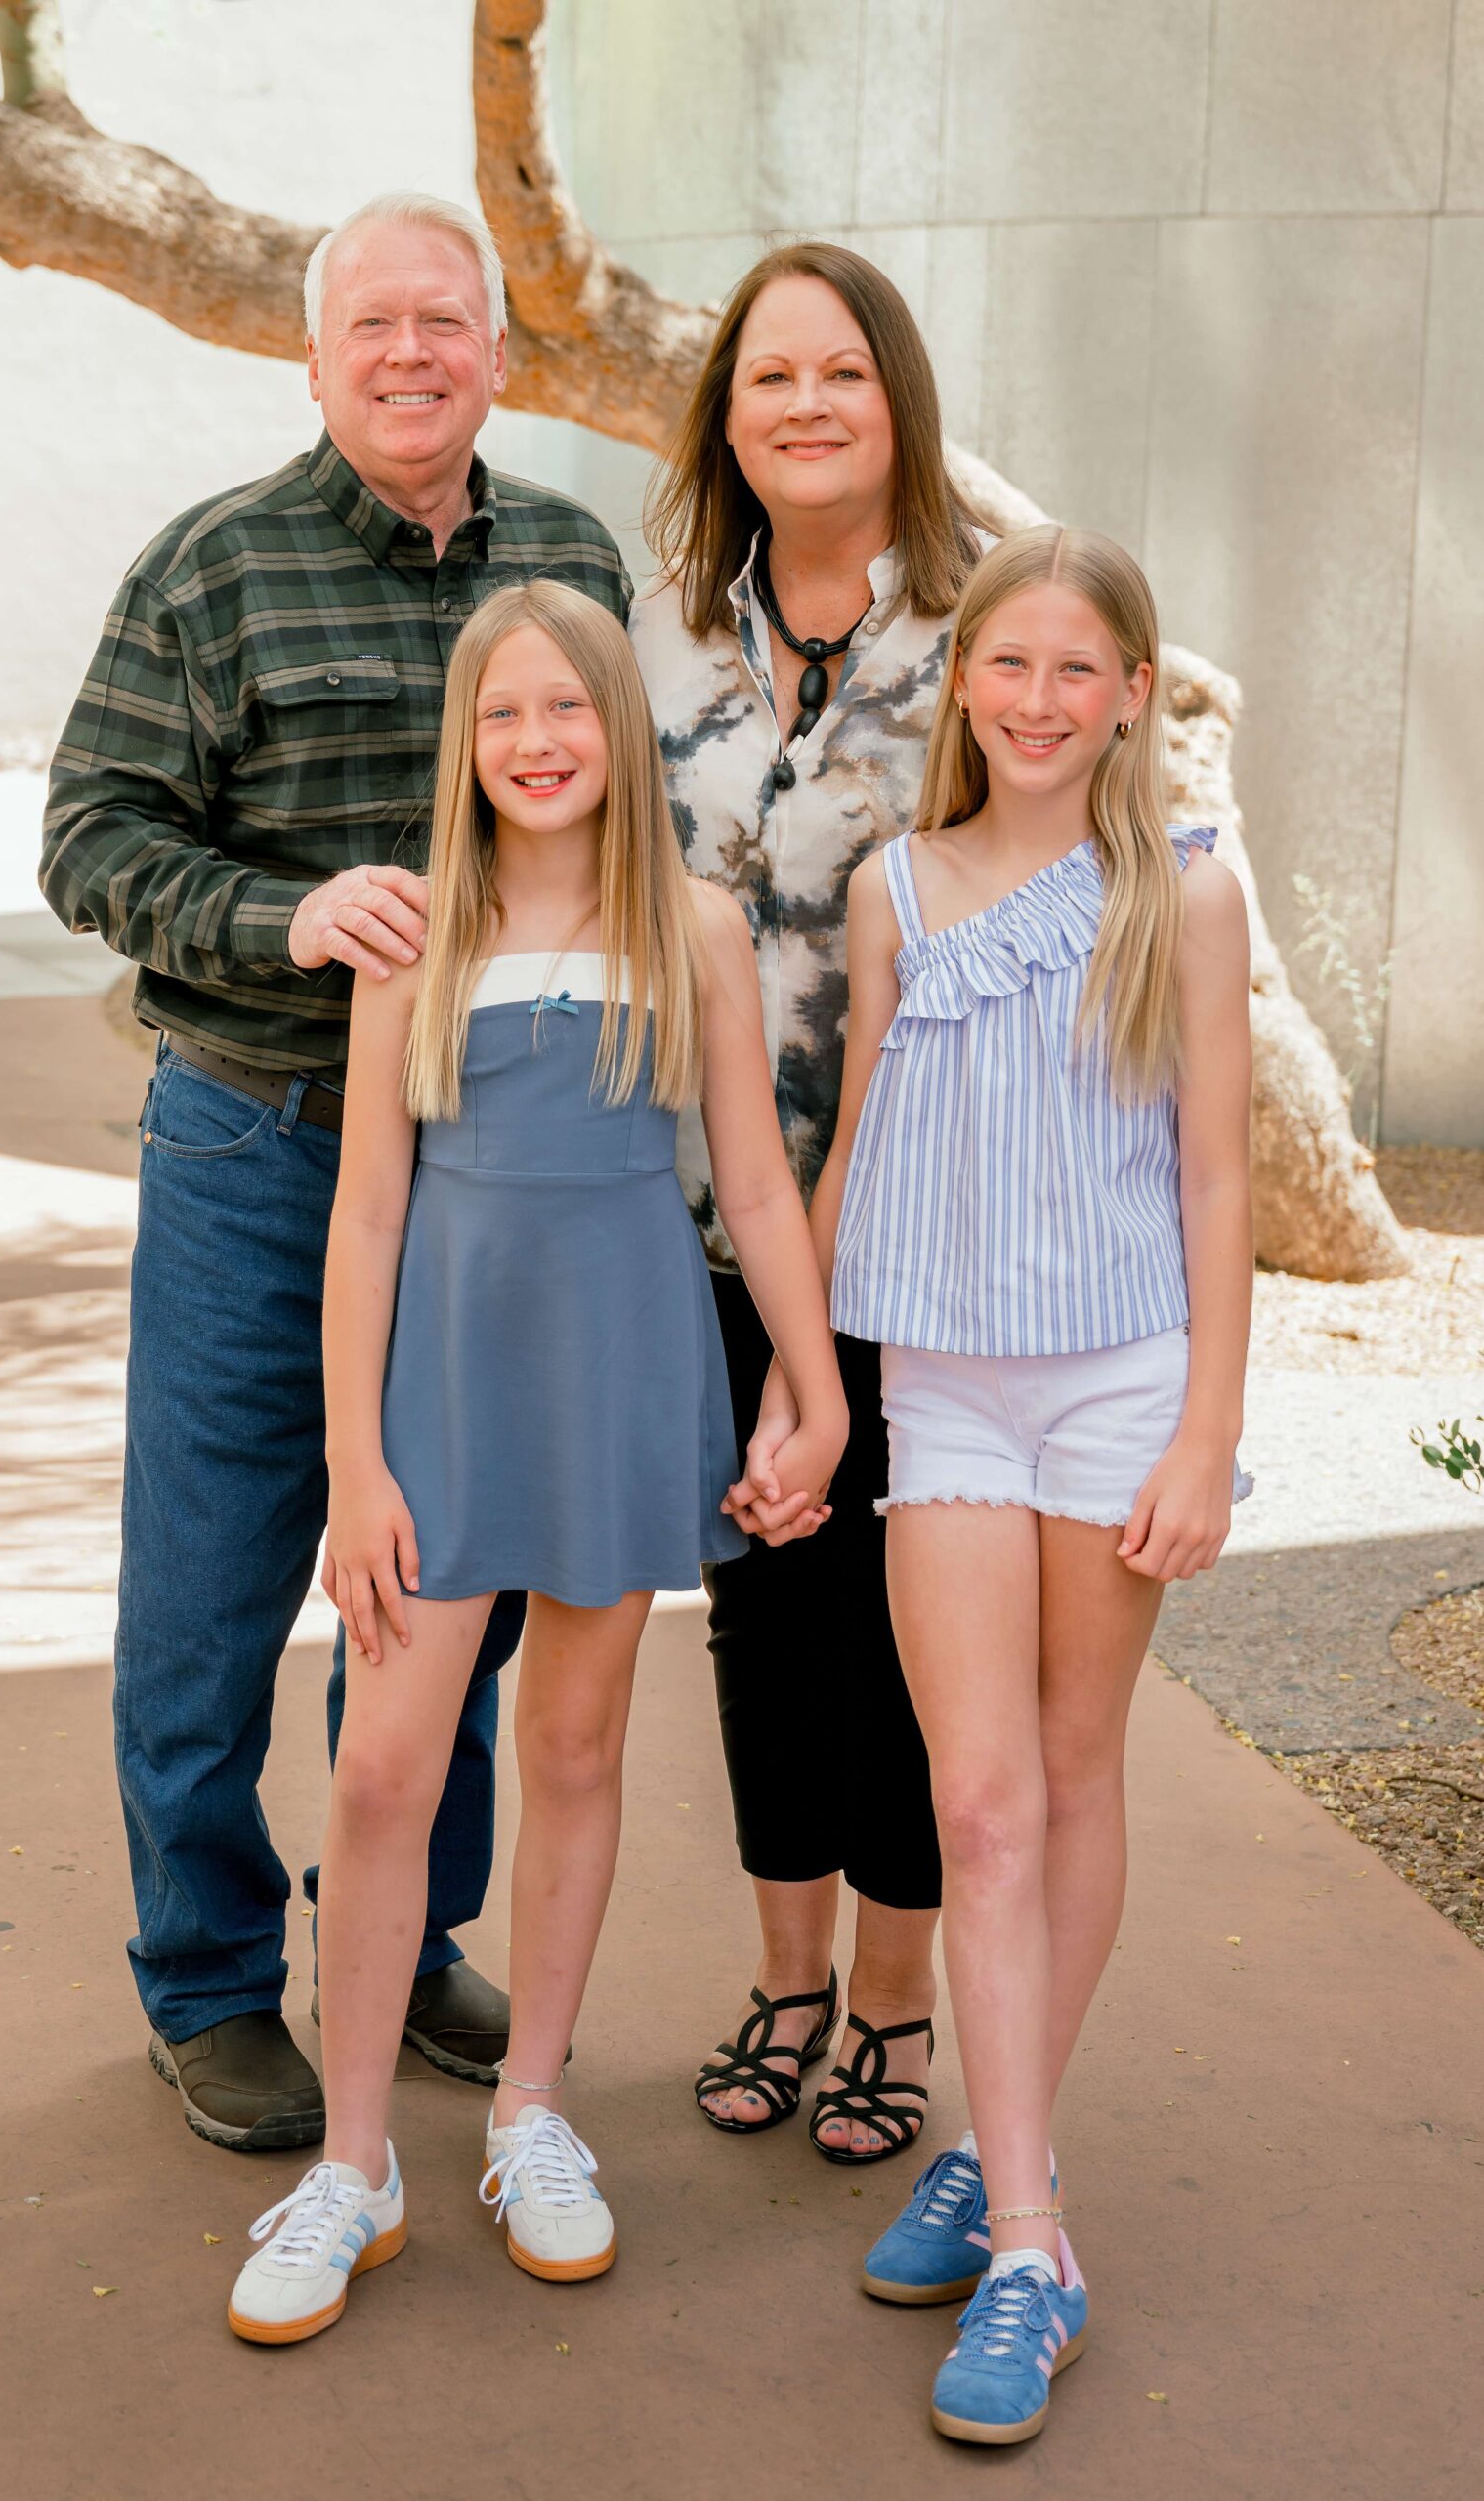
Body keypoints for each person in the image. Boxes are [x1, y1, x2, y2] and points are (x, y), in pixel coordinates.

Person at [40, 193, 634, 2150]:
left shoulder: (566, 559)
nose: (410, 355)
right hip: (261, 1142)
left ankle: (407, 1930)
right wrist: (280, 922)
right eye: (372, 324)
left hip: (489, 1178)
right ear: (314, 357)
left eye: (444, 324)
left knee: (436, 1573)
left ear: (493, 351)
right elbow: (91, 841)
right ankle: (206, 1979)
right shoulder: (212, 570)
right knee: (213, 1586)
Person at [224, 580, 846, 2343]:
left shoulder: (697, 933)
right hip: (444, 1402)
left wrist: (814, 1387)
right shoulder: (415, 937)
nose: (537, 742)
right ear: (465, 742)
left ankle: (532, 2113)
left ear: (618, 729)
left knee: (575, 1745)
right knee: (382, 1772)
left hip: (623, 1384)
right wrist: (356, 1457)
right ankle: (354, 2165)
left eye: (567, 708)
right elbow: (363, 1221)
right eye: (501, 714)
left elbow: (758, 1179)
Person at [828, 526, 1253, 2445]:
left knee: (1067, 1780)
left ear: (1132, 694)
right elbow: (852, 1159)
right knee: (974, 1798)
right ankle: (1019, 2195)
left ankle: (1017, 2222)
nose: (1036, 699)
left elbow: (1218, 1186)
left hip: (1114, 1385)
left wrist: (1202, 1436)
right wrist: (791, 1391)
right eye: (1007, 664)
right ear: (960, 684)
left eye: (1077, 669)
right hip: (945, 1396)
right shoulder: (891, 888)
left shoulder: (1181, 891)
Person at [630, 242, 982, 2161]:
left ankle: (891, 2004)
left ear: (893, 400)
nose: (803, 404)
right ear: (726, 418)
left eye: (839, 371)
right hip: (697, 1211)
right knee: (762, 1598)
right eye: (767, 376)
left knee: (894, 1614)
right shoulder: (663, 627)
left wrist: (828, 1265)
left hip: (908, 1226)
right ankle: (781, 1978)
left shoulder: (970, 631)